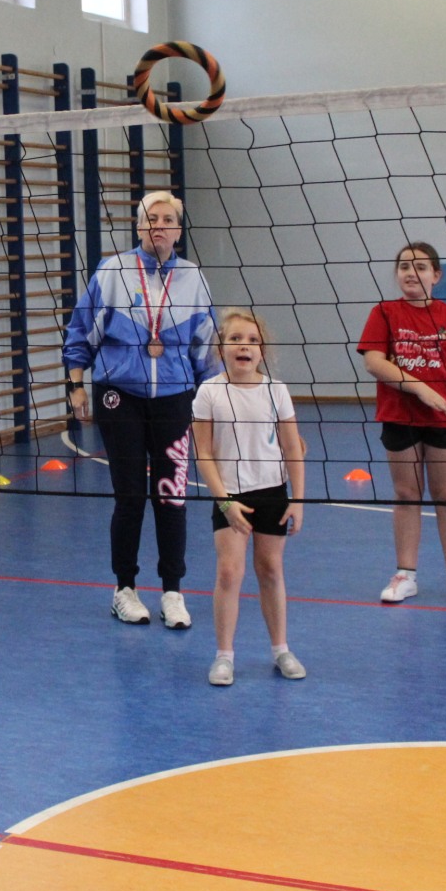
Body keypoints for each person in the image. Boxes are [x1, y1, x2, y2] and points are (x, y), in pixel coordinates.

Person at [65, 191, 220, 628]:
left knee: (171, 495)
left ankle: (173, 591)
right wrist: (76, 386)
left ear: (178, 230)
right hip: (119, 396)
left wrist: (215, 402)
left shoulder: (193, 277)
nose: (159, 226)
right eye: (152, 218)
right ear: (138, 226)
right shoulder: (112, 271)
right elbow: (81, 331)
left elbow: (207, 345)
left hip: (174, 398)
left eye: (168, 219)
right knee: (129, 495)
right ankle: (125, 589)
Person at [357, 242, 446, 607]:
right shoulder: (384, 312)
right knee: (406, 493)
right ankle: (405, 575)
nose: (412, 273)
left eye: (421, 267)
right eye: (405, 266)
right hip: (400, 414)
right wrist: (421, 389)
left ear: (436, 275)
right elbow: (374, 362)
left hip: (445, 416)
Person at [191, 309, 307, 686]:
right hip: (230, 495)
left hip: (272, 491)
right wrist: (223, 501)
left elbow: (292, 447)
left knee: (270, 569)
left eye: (253, 340)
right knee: (229, 572)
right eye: (236, 339)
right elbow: (203, 453)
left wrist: (298, 499)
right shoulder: (209, 392)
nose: (245, 346)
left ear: (262, 350)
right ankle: (224, 656)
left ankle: (281, 650)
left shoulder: (276, 390)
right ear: (221, 348)